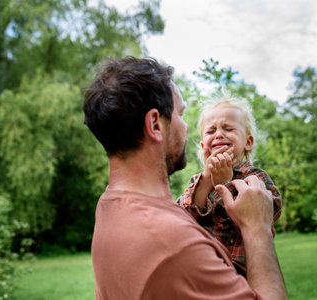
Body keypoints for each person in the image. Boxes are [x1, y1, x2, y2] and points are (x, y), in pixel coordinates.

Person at [84, 56, 287, 299]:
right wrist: (257, 229)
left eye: (228, 129)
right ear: (155, 125)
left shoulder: (109, 206)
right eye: (180, 114)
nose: (186, 127)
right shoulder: (174, 246)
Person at [177, 97, 282, 276]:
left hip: (243, 271)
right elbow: (184, 216)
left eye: (228, 128)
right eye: (210, 131)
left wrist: (225, 184)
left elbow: (270, 211)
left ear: (248, 142)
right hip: (204, 269)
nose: (218, 134)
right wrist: (208, 177)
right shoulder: (198, 181)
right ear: (204, 146)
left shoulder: (256, 177)